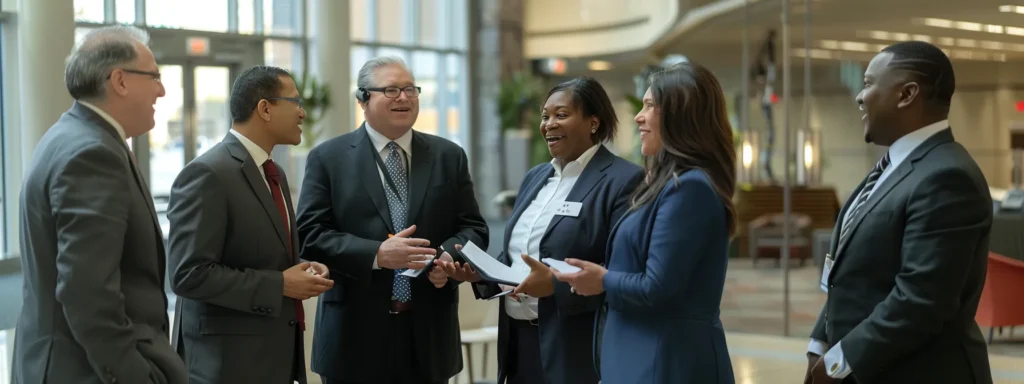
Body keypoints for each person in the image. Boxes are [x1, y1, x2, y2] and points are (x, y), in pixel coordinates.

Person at [804, 41, 992, 384]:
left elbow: (920, 301)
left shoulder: (947, 177)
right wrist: (820, 343)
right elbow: (849, 276)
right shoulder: (892, 167)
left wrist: (840, 362)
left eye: (868, 84)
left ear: (907, 94)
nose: (860, 97)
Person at [295, 56, 489, 384]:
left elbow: (473, 229)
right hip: (353, 338)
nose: (404, 98)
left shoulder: (448, 156)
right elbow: (311, 234)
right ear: (362, 100)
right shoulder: (329, 158)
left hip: (429, 337)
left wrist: (447, 257)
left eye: (411, 89)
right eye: (391, 90)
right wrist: (376, 254)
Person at [12, 25, 187, 384]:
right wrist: (135, 374)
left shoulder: (72, 135)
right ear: (119, 81)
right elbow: (86, 292)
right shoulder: (92, 153)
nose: (162, 89)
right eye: (154, 76)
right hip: (86, 372)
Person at [440, 77, 643, 384]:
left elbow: (623, 270)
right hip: (519, 343)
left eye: (561, 115)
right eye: (545, 116)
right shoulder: (536, 177)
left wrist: (555, 287)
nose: (548, 124)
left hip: (575, 347)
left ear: (593, 122)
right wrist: (482, 274)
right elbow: (519, 257)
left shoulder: (622, 180)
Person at [553, 62, 737, 384]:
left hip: (666, 361)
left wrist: (602, 280)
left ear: (680, 116)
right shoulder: (665, 185)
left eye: (650, 105)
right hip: (640, 356)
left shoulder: (690, 189)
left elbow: (657, 287)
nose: (638, 116)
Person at [165, 65, 334, 384]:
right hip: (227, 367)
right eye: (295, 102)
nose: (302, 113)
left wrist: (300, 269)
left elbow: (257, 255)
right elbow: (188, 274)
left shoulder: (274, 173)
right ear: (265, 108)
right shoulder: (208, 174)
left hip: (274, 360)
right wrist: (281, 284)